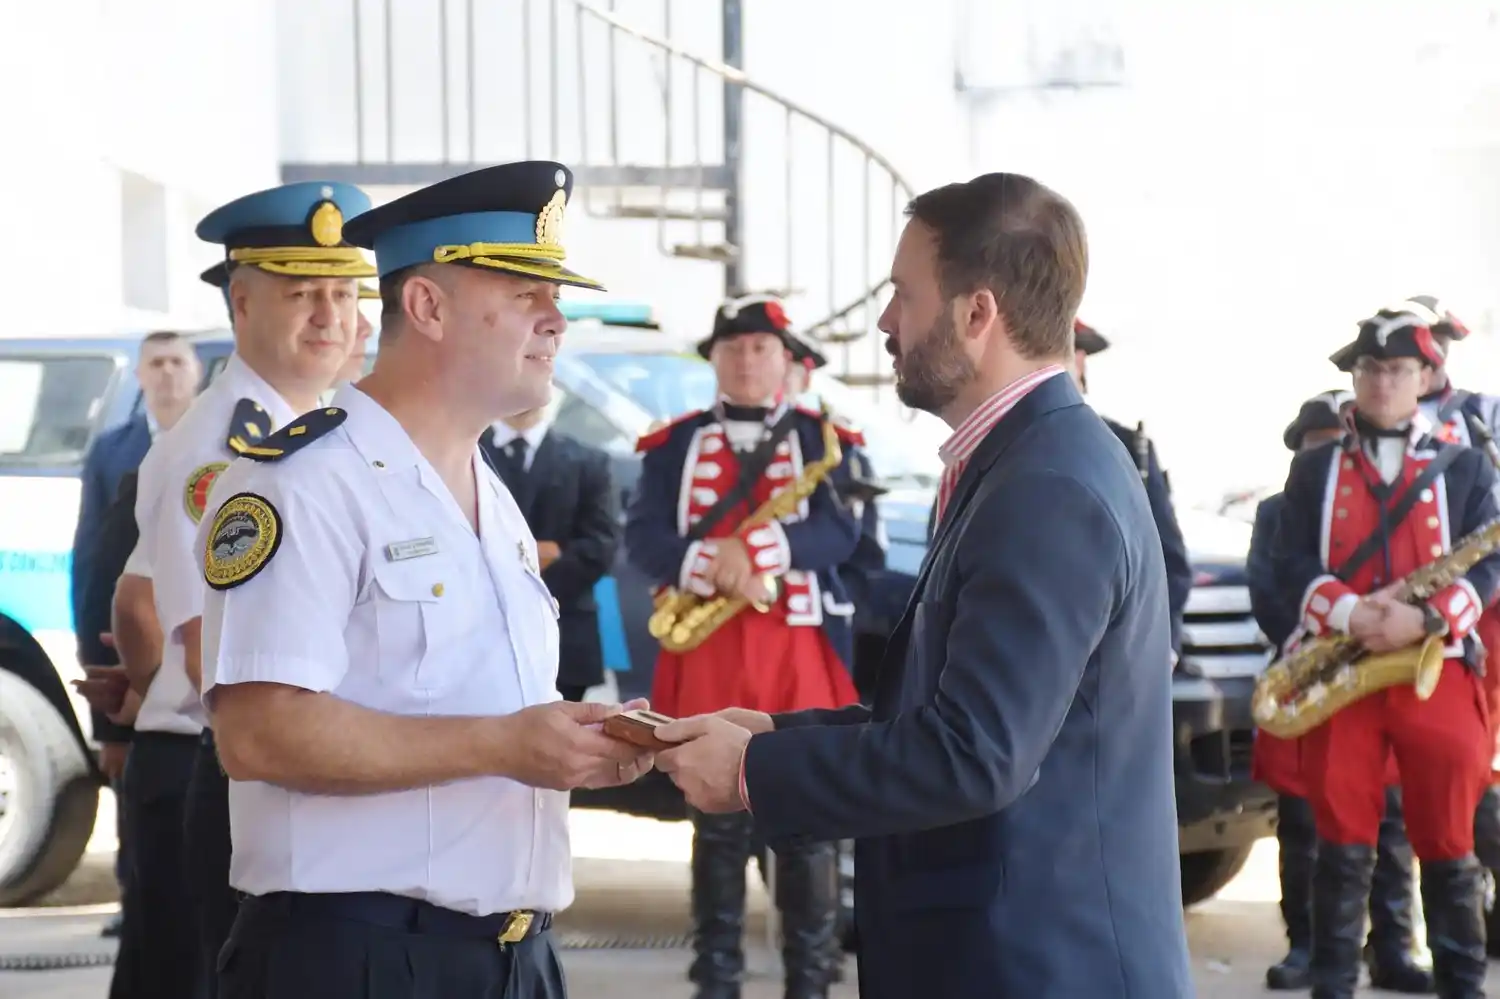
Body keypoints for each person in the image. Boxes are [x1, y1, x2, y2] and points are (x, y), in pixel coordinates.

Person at [654, 172, 1194, 999]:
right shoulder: (1024, 459)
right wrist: (773, 731)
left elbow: (973, 754)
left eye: (903, 295)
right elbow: (944, 713)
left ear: (977, 315)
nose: (883, 321)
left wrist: (756, 772)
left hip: (1039, 969)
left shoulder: (1046, 482)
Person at [197, 159, 654, 999]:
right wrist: (505, 743)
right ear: (427, 305)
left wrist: (592, 741)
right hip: (358, 959)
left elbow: (475, 701)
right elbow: (258, 733)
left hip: (511, 957)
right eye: (525, 293)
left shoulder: (493, 497)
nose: (556, 320)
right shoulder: (298, 482)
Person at [125, 180, 377, 999]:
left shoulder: (304, 430)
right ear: (241, 303)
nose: (328, 315)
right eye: (301, 292)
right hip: (233, 771)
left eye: (342, 292)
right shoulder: (222, 449)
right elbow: (212, 656)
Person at [625, 292, 864, 999]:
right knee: (716, 825)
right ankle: (717, 980)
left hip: (796, 650)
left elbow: (842, 533)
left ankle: (811, 982)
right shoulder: (671, 444)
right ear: (714, 361)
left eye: (761, 347)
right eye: (733, 348)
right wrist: (709, 565)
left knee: (808, 823)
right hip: (709, 650)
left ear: (786, 361)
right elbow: (643, 535)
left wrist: (758, 551)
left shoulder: (827, 441)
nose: (747, 359)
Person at [1273, 308, 1500, 998]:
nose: (1380, 382)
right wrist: (1347, 612)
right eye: (1369, 369)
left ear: (1426, 376)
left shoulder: (1465, 466)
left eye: (1397, 369)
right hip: (1344, 671)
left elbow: (1490, 565)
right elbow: (1288, 561)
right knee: (1340, 845)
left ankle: (1463, 984)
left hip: (1434, 670)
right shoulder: (1314, 468)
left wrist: (1427, 617)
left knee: (1450, 842)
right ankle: (1333, 983)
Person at [1248, 390, 1432, 993]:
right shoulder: (1279, 511)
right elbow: (1270, 593)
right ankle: (1306, 945)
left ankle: (1394, 947)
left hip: (1383, 674)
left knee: (1393, 821)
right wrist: (1322, 641)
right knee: (1304, 824)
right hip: (1310, 678)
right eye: (1318, 448)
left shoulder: (1395, 500)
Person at [69, 330, 202, 942]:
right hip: (135, 672)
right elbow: (96, 567)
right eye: (158, 363)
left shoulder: (219, 442)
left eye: (179, 361)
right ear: (140, 375)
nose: (170, 373)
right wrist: (109, 721)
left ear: (197, 372)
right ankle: (132, 895)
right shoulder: (113, 452)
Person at [1070, 318, 1193, 662]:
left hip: (1113, 665)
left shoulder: (1127, 447)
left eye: (1070, 351)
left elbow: (1170, 562)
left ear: (1081, 362)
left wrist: (1161, 649)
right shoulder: (1000, 447)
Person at [481, 401, 621, 702]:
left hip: (566, 633)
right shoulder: (464, 454)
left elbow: (600, 547)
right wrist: (538, 555)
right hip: (478, 637)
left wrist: (525, 578)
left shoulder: (590, 461)